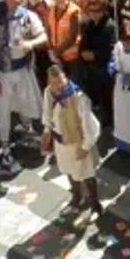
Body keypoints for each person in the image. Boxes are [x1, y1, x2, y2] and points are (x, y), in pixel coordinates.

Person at [43, 65, 104, 216]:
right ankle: (77, 198)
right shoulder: (48, 92)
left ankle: (95, 205)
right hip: (61, 142)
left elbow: (89, 124)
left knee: (87, 174)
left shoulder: (79, 98)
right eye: (53, 83)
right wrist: (46, 131)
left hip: (78, 142)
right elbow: (47, 112)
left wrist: (85, 146)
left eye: (60, 82)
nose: (57, 86)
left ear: (66, 78)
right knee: (69, 172)